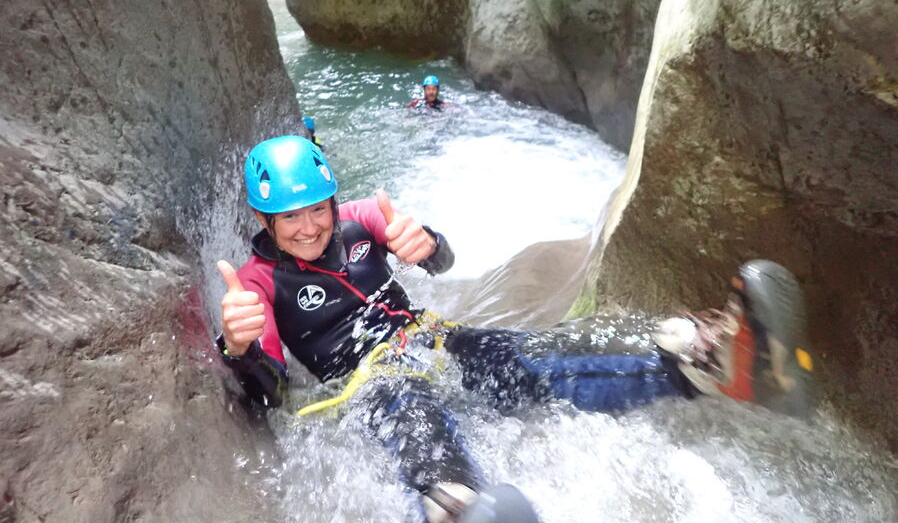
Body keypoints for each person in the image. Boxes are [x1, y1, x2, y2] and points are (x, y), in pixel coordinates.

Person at [216, 135, 814, 522]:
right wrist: (243, 346)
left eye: (318, 208)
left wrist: (428, 245)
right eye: (290, 216)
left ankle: (714, 366)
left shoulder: (360, 219)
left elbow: (441, 261)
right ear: (266, 218)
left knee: (531, 357)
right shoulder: (259, 282)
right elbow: (272, 391)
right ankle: (456, 508)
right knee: (410, 415)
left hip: (433, 339)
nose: (309, 226)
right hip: (370, 379)